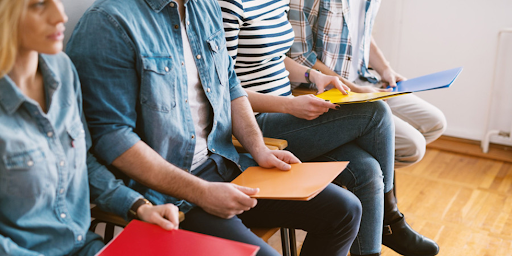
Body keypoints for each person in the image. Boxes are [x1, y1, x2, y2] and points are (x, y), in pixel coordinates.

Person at [65, 0, 362, 255]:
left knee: (345, 210)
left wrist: (258, 149)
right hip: (168, 194)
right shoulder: (108, 23)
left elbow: (230, 83)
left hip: (224, 163)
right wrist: (201, 192)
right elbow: (111, 137)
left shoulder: (203, 6)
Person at [0, 0, 181, 255]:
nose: (60, 16)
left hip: (85, 245)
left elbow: (83, 162)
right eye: (39, 4)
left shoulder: (62, 69)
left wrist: (139, 206)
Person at [287, 0, 443, 255]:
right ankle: (386, 218)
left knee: (434, 122)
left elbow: (362, 34)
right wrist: (356, 90)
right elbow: (301, 57)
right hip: (328, 88)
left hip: (362, 77)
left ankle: (378, 210)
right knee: (407, 145)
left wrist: (385, 69)